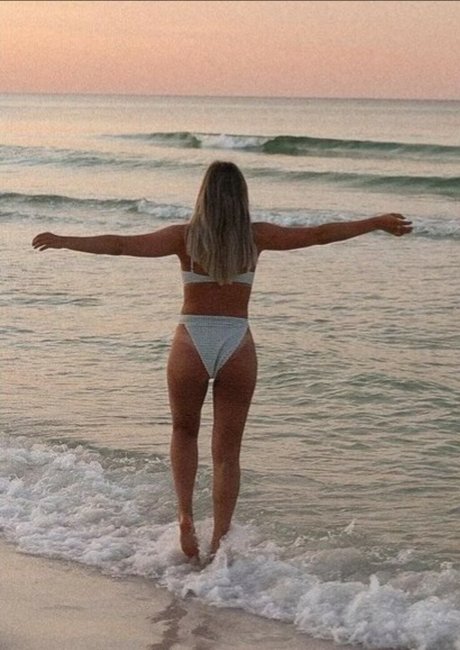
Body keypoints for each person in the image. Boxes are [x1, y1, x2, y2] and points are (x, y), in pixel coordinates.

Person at [32, 160, 412, 561]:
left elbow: (121, 245)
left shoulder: (184, 237)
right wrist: (374, 222)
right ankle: (220, 539)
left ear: (204, 196)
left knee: (184, 431)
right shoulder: (257, 237)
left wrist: (65, 240)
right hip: (236, 343)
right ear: (241, 197)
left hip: (191, 341)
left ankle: (185, 518)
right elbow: (319, 234)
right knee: (228, 452)